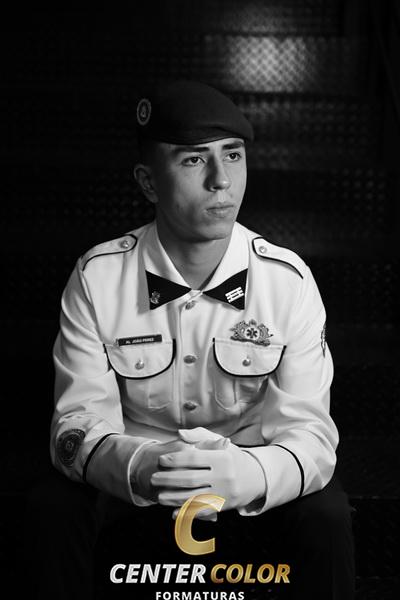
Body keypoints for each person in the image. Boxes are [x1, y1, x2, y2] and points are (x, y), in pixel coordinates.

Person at [26, 80, 355, 599]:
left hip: (247, 461)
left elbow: (310, 435)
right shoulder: (98, 277)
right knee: (51, 507)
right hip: (137, 467)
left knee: (328, 515)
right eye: (194, 160)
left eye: (233, 155)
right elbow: (75, 426)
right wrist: (139, 466)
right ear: (148, 182)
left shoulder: (287, 281)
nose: (221, 180)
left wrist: (250, 474)